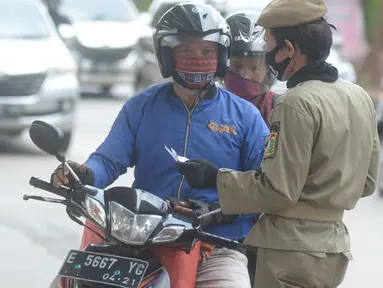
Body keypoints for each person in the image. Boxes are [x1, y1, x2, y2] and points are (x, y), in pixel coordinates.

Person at [50, 3, 269, 288]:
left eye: (207, 51)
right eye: (186, 51)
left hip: (217, 246)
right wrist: (83, 173)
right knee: (66, 283)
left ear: (221, 56)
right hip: (140, 238)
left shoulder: (245, 117)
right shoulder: (142, 106)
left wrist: (218, 210)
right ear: (167, 54)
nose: (198, 59)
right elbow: (108, 159)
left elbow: (264, 185)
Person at [175, 0, 380, 287]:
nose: (268, 55)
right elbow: (368, 183)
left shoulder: (295, 103)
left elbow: (277, 190)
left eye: (269, 44)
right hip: (334, 248)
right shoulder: (358, 96)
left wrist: (214, 177)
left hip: (289, 252)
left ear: (288, 50)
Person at [224, 11, 278, 124]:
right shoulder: (207, 108)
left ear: (269, 70)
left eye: (254, 68)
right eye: (236, 65)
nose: (245, 75)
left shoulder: (279, 109)